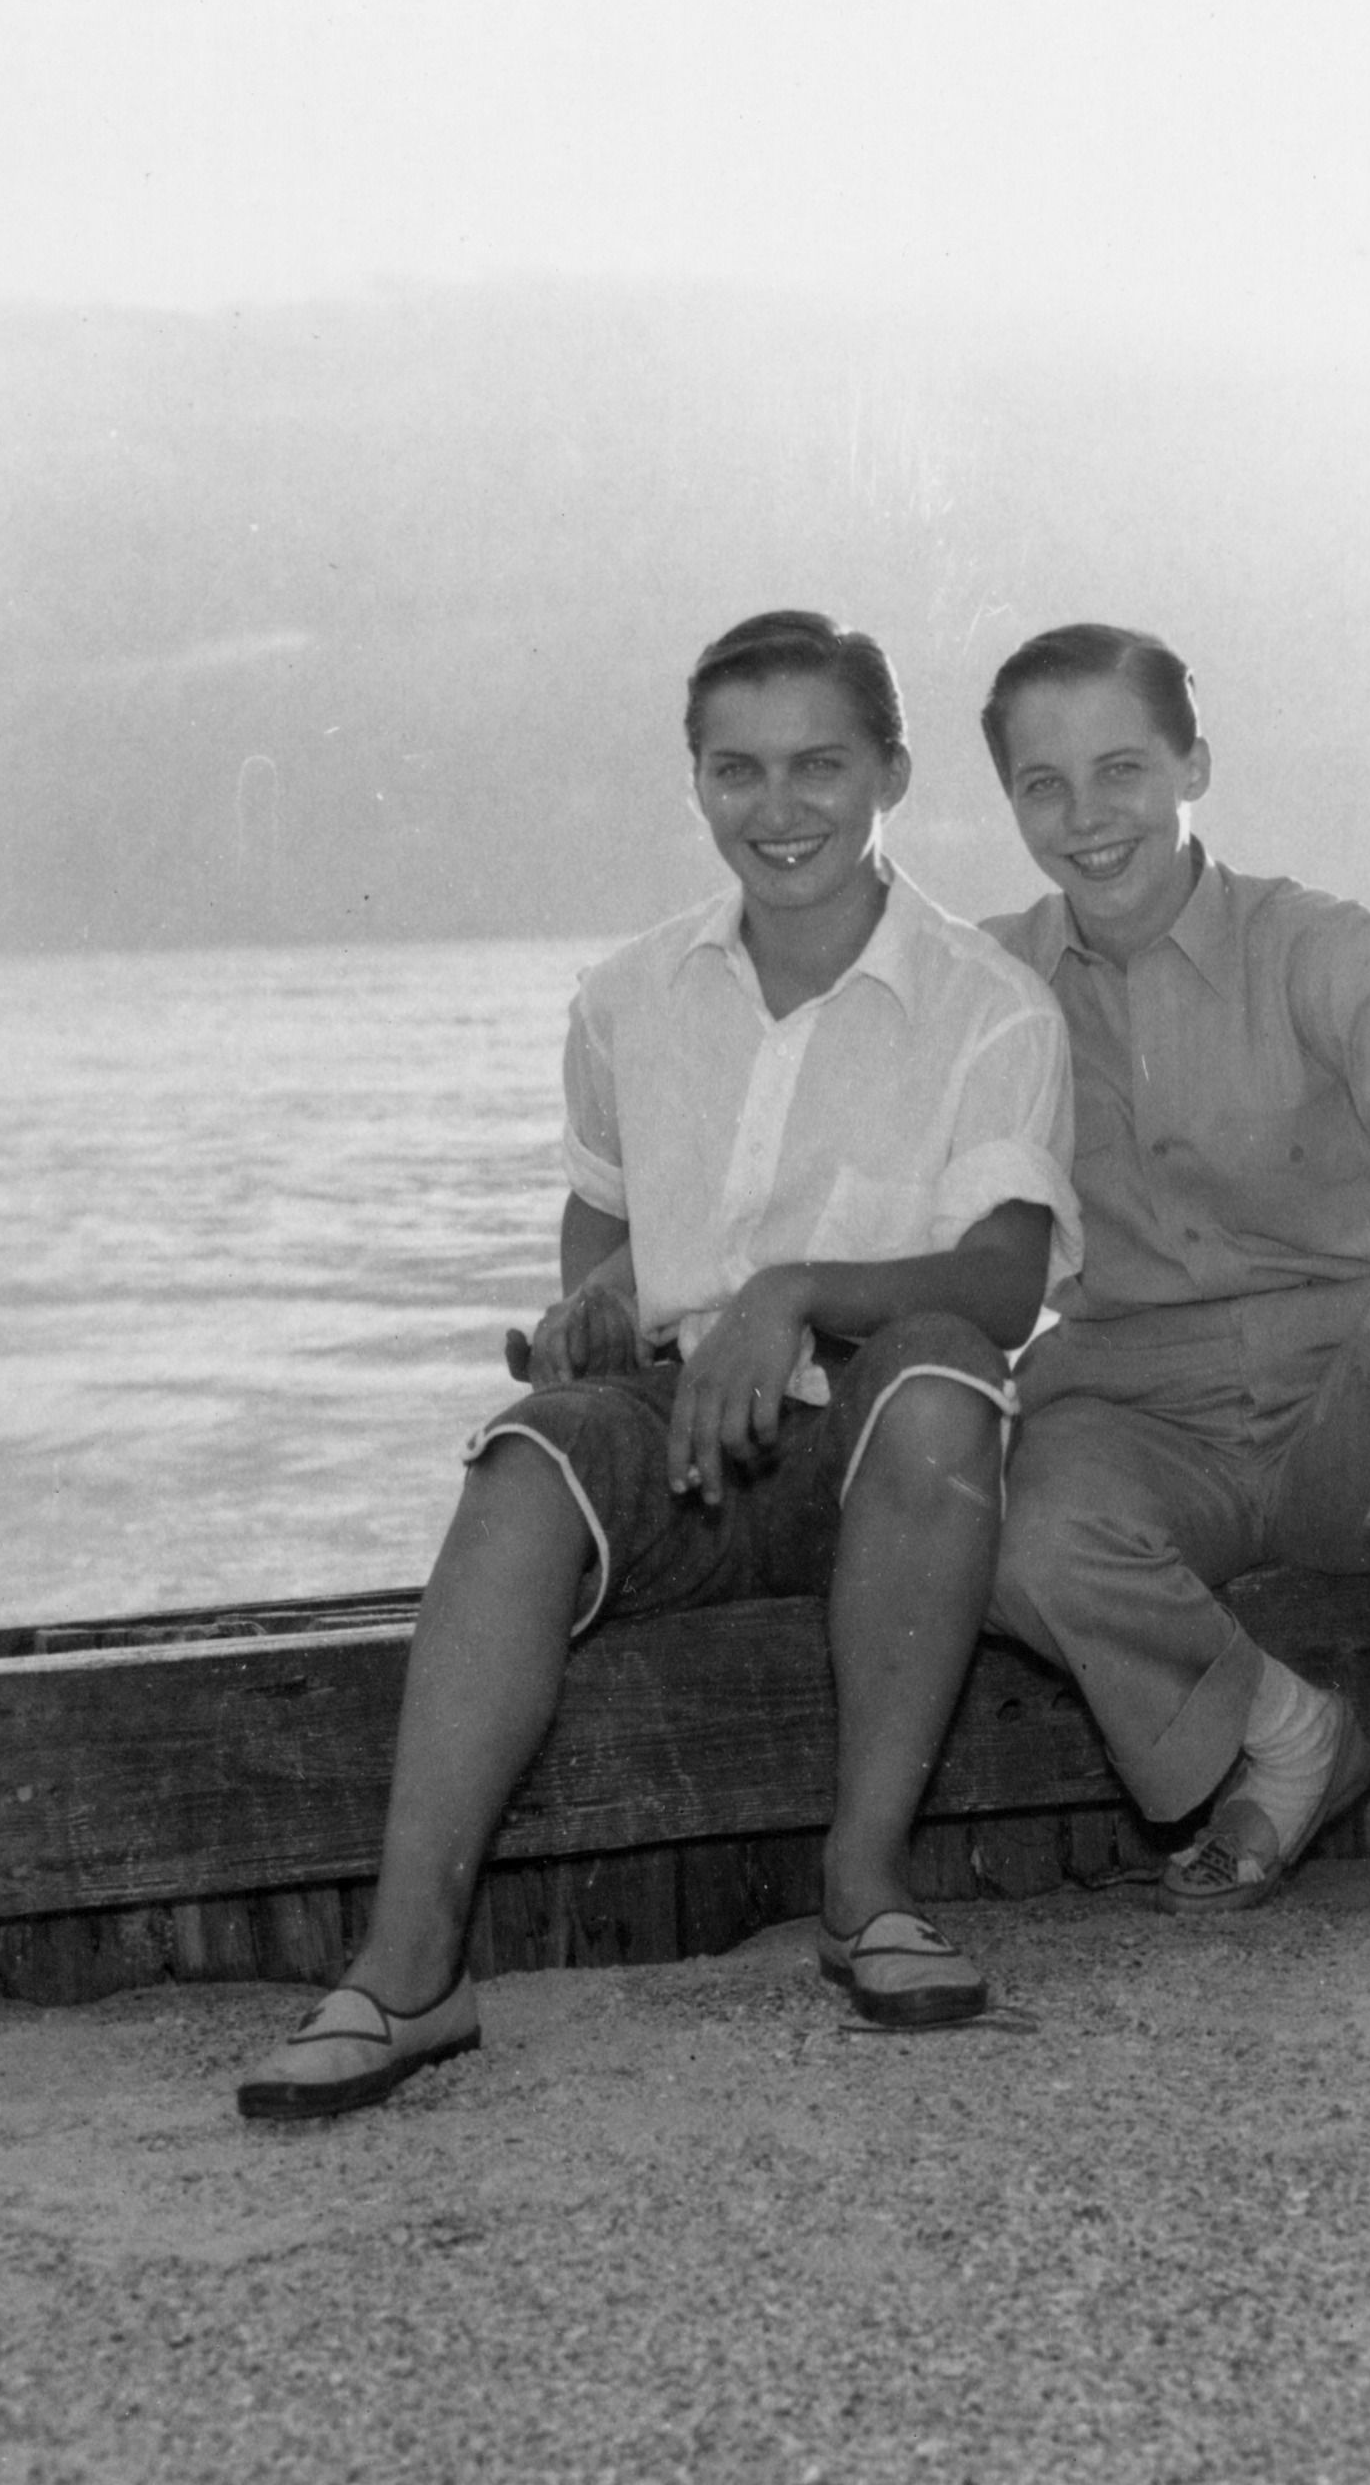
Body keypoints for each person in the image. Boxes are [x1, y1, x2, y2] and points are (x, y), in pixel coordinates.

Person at [239, 610, 1080, 2119]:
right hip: (690, 1441)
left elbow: (1009, 1284)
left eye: (821, 765)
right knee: (529, 1451)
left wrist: (795, 1290)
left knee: (947, 1368)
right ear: (694, 781)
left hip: (884, 1473)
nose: (780, 809)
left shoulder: (990, 1002)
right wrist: (599, 1312)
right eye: (736, 769)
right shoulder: (627, 996)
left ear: (892, 771)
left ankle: (865, 1887)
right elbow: (603, 1227)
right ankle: (410, 1971)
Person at [980, 622, 1370, 1944]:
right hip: (1140, 1418)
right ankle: (1292, 1738)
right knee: (996, 1518)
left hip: (1350, 1417)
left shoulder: (1310, 942)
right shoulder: (994, 980)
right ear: (1011, 804)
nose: (1088, 819)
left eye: (1124, 768)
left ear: (1195, 762)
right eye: (1045, 785)